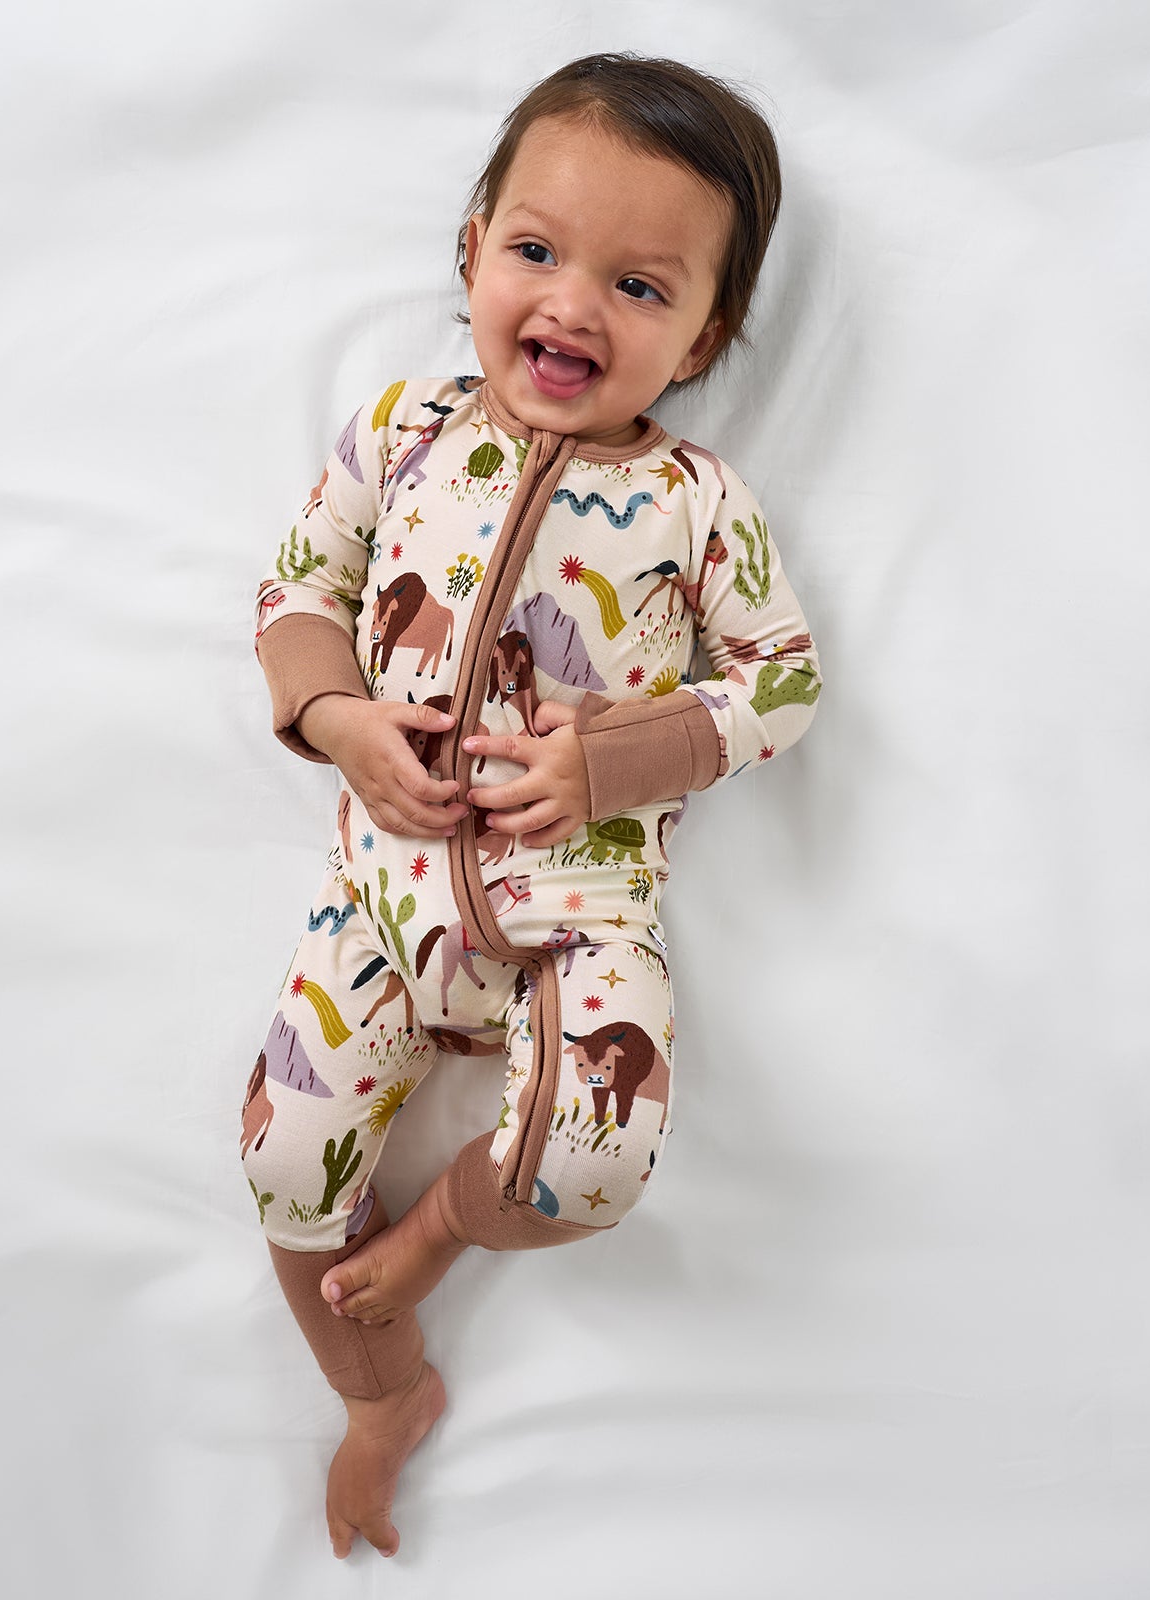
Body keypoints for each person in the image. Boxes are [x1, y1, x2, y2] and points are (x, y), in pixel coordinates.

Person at [243, 51, 821, 1559]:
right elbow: (298, 593)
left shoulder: (698, 503)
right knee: (281, 1165)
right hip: (381, 905)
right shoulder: (402, 432)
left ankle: (433, 1236)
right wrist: (339, 720)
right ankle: (380, 1394)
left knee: (595, 1163)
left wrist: (612, 759)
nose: (573, 306)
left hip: (581, 921)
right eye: (538, 251)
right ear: (472, 251)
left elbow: (781, 681)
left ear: (708, 332)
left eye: (639, 287)